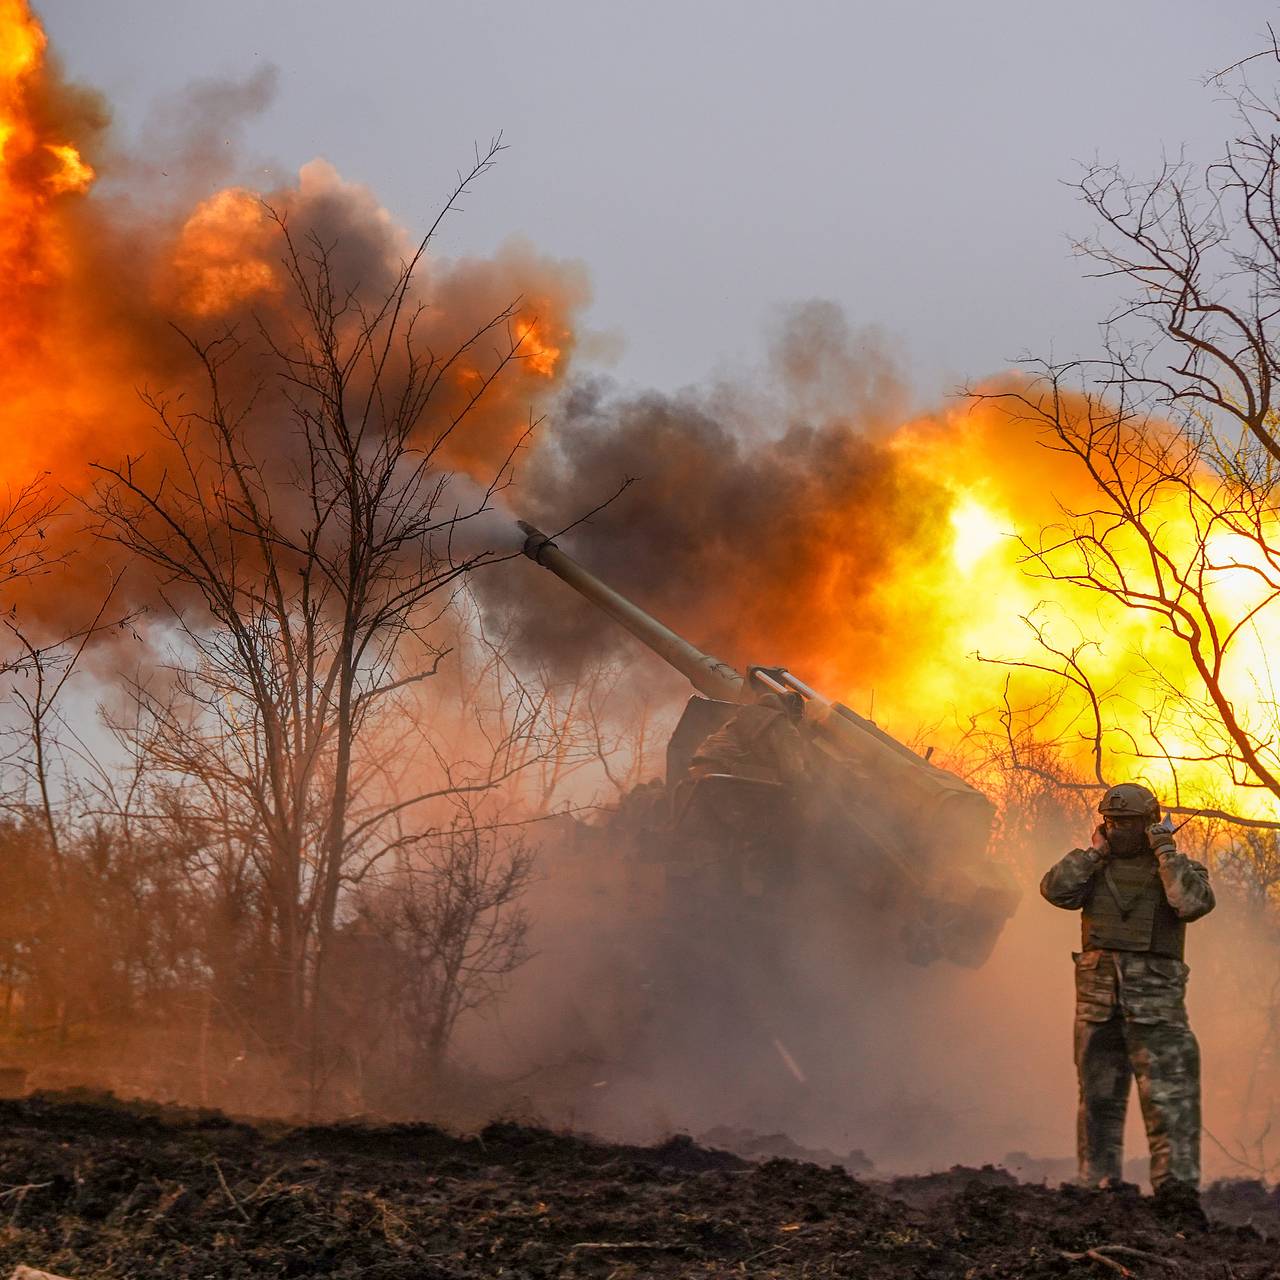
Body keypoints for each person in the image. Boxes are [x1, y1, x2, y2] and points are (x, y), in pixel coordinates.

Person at [1040, 783, 1215, 1208]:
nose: (1119, 829)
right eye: (1112, 821)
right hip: (1098, 1003)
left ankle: (1177, 1194)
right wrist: (1095, 853)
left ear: (1150, 824)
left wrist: (1165, 853)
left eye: (1129, 823)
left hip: (1157, 1009)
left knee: (1170, 1101)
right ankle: (1097, 1184)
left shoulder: (1178, 868)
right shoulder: (1092, 869)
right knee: (1098, 1098)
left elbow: (1191, 903)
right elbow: (1055, 890)